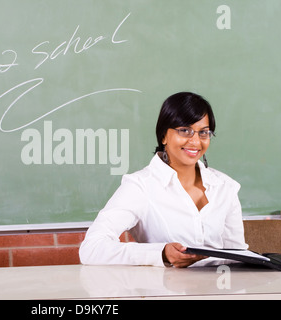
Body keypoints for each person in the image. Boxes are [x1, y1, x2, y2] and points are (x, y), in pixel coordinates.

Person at [79, 92, 248, 268]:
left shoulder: (225, 187)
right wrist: (161, 253)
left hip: (218, 292)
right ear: (163, 136)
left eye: (203, 133)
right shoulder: (140, 187)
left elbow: (237, 255)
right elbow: (91, 248)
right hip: (164, 292)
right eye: (184, 130)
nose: (196, 141)